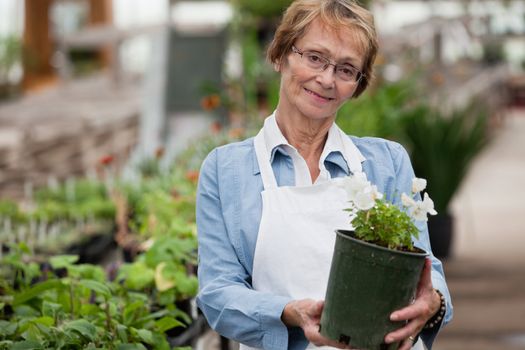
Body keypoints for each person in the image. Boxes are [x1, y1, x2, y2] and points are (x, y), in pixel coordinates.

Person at [196, 0, 453, 349]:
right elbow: (217, 294)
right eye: (314, 57)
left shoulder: (385, 162)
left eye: (347, 69)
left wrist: (433, 302)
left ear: (358, 84)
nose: (327, 79)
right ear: (280, 55)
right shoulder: (227, 171)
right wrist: (287, 311)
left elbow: (425, 269)